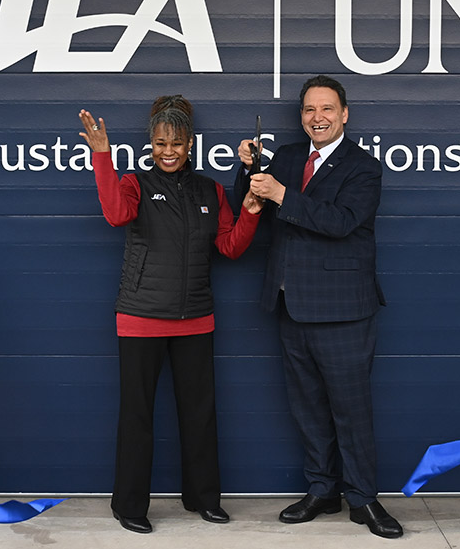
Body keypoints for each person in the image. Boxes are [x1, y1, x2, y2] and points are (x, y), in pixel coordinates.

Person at [79, 95, 263, 534]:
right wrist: (101, 156)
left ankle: (202, 498)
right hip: (141, 318)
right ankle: (129, 506)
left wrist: (252, 213)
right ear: (151, 143)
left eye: (176, 142)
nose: (168, 150)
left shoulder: (211, 191)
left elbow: (230, 247)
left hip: (196, 319)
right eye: (161, 141)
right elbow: (114, 215)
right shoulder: (134, 184)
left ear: (189, 144)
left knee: (199, 413)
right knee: (137, 415)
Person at [234, 75, 403, 539]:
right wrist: (246, 170)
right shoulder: (287, 158)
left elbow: (341, 222)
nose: (318, 118)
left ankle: (364, 499)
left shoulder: (363, 167)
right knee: (308, 410)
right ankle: (322, 490)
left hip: (344, 311)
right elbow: (248, 201)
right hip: (291, 306)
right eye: (309, 110)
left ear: (344, 114)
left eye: (327, 109)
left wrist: (282, 194)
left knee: (351, 411)